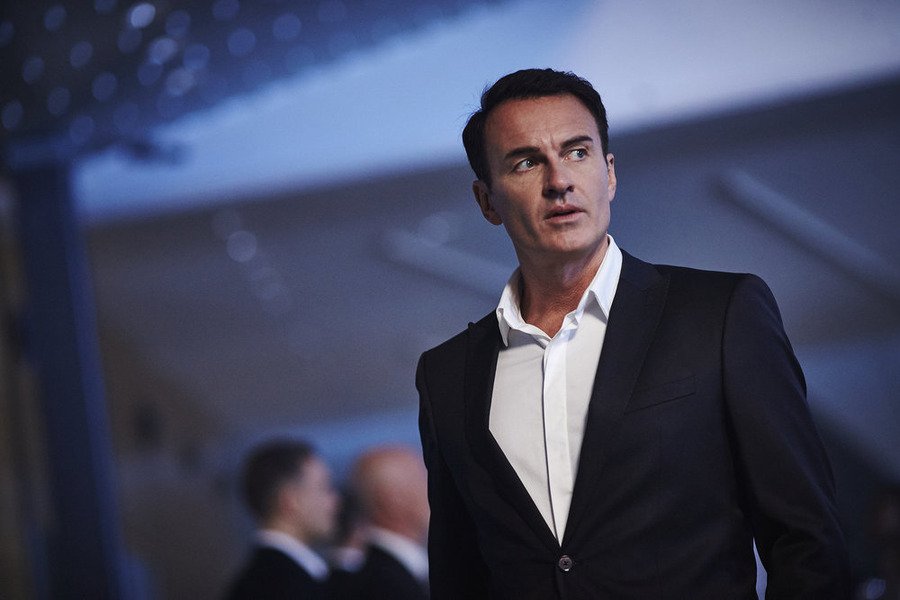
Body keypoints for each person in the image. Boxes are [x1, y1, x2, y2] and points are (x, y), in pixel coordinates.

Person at [416, 68, 851, 599]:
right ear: (487, 201)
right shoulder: (446, 375)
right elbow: (459, 576)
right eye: (526, 162)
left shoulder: (719, 315)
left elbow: (807, 541)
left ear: (610, 174)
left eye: (577, 152)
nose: (559, 181)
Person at [225, 439, 339, 600]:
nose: (335, 501)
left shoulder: (257, 580)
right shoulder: (289, 586)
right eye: (324, 488)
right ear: (291, 502)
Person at [333, 445, 431, 600]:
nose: (433, 491)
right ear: (394, 499)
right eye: (424, 480)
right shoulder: (383, 585)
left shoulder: (394, 573)